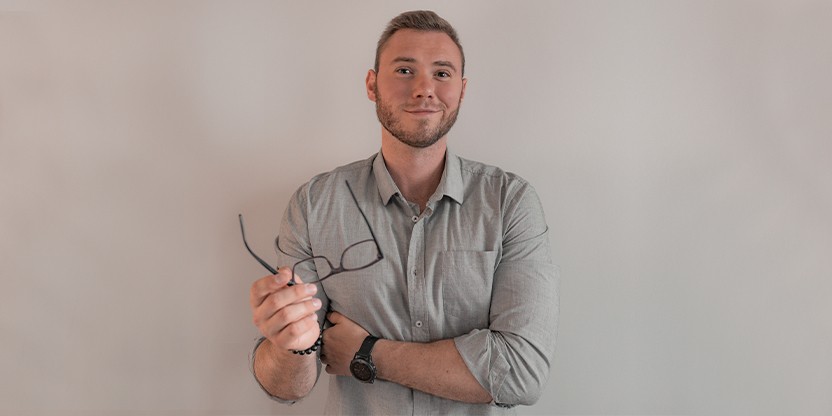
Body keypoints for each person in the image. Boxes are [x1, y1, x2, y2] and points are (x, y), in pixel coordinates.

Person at [247, 10, 559, 414]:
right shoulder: (314, 205)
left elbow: (521, 375)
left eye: (442, 73)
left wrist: (366, 353)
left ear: (462, 90)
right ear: (372, 84)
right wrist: (293, 344)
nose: (424, 89)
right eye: (405, 70)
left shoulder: (511, 203)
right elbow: (288, 387)